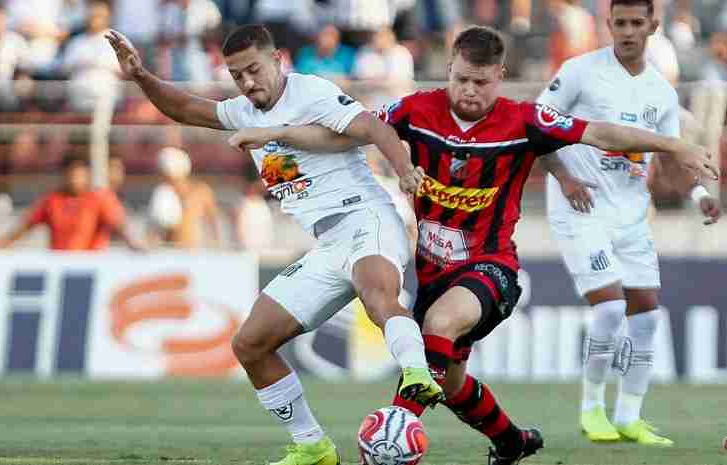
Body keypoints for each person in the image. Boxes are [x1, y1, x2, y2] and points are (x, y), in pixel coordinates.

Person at [227, 25, 718, 465]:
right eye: (461, 79)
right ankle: (512, 441)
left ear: (499, 77)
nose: (469, 91)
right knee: (451, 381)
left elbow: (599, 133)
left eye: (481, 82)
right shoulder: (415, 110)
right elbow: (347, 135)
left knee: (438, 329)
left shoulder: (524, 119)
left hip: (490, 267)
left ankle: (396, 428)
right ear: (449, 70)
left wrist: (676, 145)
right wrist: (278, 133)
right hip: (433, 272)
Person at [106, 24, 443, 465]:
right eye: (237, 75)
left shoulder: (311, 93)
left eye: (254, 70)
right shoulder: (243, 112)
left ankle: (417, 373)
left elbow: (375, 128)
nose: (247, 82)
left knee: (377, 294)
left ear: (277, 60)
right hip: (328, 244)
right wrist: (140, 76)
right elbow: (185, 108)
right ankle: (313, 446)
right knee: (250, 343)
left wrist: (404, 171)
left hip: (366, 218)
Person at [535, 0, 721, 446]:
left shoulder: (660, 93)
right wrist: (564, 178)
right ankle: (591, 410)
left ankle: (629, 416)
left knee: (646, 318)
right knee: (610, 308)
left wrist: (699, 196)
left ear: (653, 26)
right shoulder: (580, 72)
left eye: (637, 23)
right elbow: (536, 128)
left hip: (631, 213)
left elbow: (672, 160)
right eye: (620, 23)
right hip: (581, 207)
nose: (628, 31)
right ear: (609, 24)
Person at [0, 153, 144, 251]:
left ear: (88, 175)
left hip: (90, 266)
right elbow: (24, 227)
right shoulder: (52, 201)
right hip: (61, 265)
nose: (75, 179)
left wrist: (134, 245)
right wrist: (0, 245)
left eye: (79, 175)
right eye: (72, 174)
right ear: (65, 175)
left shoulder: (98, 199)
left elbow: (119, 226)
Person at [147, 147, 223, 249]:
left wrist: (217, 245)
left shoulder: (201, 192)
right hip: (169, 250)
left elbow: (213, 221)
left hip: (192, 250)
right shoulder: (163, 193)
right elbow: (155, 229)